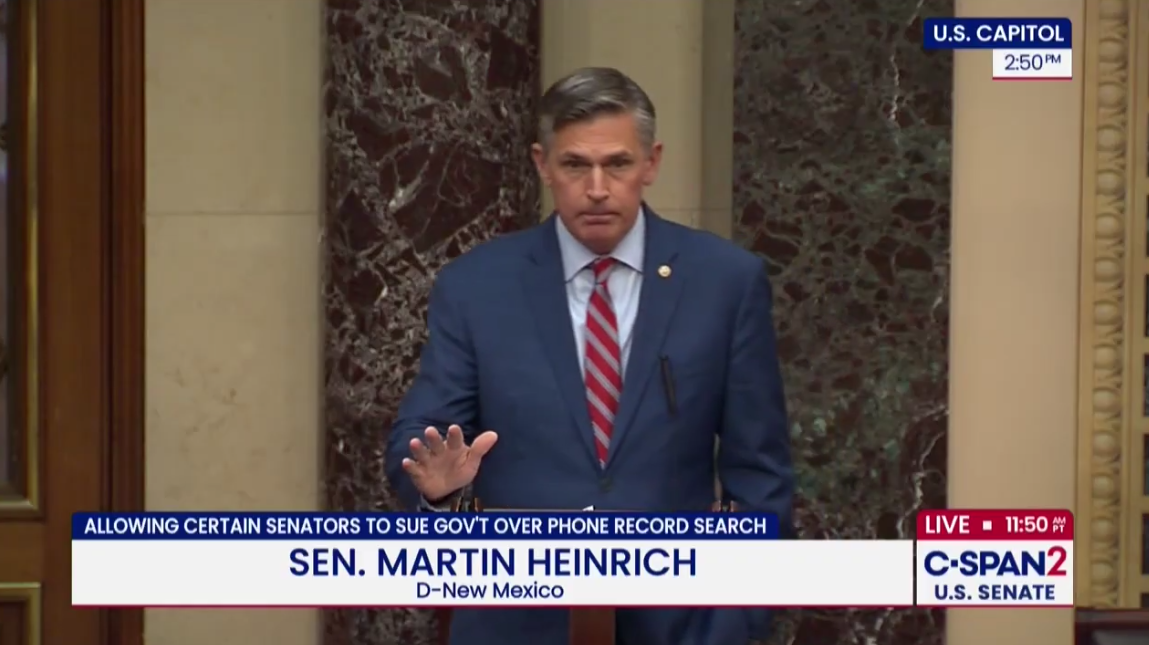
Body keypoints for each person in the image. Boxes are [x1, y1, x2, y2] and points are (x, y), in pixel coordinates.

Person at [387, 66, 793, 645]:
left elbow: (761, 472)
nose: (597, 188)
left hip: (684, 625)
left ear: (650, 163)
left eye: (618, 164)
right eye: (576, 165)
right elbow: (422, 433)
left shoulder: (725, 282)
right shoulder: (477, 286)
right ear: (542, 164)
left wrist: (735, 621)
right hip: (518, 623)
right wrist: (435, 486)